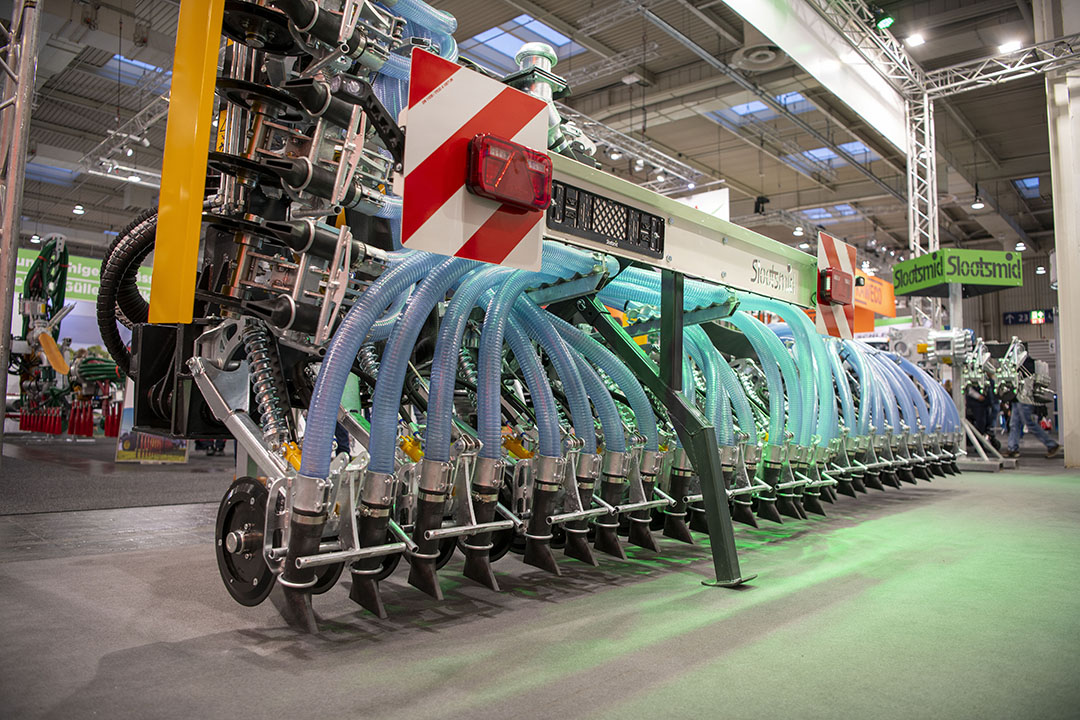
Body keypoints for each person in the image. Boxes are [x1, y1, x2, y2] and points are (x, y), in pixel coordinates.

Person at [1006, 374, 1061, 459]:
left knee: (1029, 424)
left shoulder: (1024, 365)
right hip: (1016, 398)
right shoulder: (1017, 366)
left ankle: (1052, 445)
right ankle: (1012, 448)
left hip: (1023, 397)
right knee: (1014, 424)